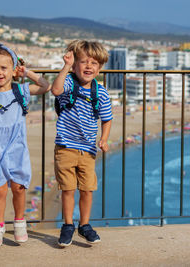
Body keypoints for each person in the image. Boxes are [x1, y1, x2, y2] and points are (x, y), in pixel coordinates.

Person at [0, 43, 50, 248]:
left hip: (16, 147)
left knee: (19, 188)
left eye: (4, 68)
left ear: (13, 70)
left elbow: (46, 86)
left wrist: (27, 72)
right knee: (0, 191)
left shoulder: (21, 91)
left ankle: (19, 222)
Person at [51, 40, 113, 247]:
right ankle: (68, 224)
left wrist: (103, 139)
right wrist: (66, 66)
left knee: (87, 189)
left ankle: (84, 225)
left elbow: (107, 118)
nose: (88, 66)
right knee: (67, 189)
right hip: (66, 147)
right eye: (84, 62)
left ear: (100, 68)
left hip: (88, 150)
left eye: (94, 63)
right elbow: (56, 90)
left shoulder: (101, 92)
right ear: (76, 65)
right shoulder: (69, 82)